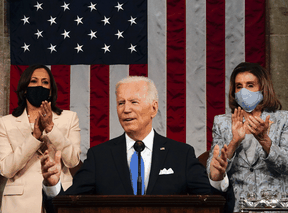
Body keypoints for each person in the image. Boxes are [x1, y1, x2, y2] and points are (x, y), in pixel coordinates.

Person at [41, 76, 234, 212]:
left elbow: (215, 207)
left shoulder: (181, 154)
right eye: (121, 103)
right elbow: (65, 208)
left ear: (154, 108)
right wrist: (53, 185)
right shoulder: (99, 157)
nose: (126, 110)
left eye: (134, 102)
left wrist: (217, 181)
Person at [207, 62, 287, 212]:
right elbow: (214, 175)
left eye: (250, 85)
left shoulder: (284, 120)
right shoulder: (222, 122)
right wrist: (234, 142)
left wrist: (265, 142)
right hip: (238, 207)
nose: (244, 91)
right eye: (239, 86)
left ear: (263, 88)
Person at [0, 65, 81, 213]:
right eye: (34, 81)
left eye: (45, 82)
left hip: (59, 198)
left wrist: (51, 128)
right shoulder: (6, 123)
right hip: (19, 204)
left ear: (50, 91)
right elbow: (6, 169)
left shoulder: (69, 118)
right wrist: (34, 137)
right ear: (25, 89)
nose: (39, 86)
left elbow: (73, 160)